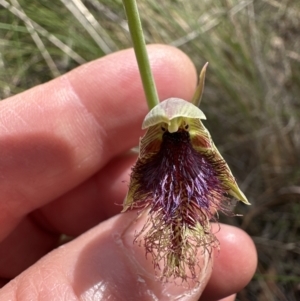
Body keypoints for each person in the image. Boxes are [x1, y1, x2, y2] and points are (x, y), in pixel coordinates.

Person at [0, 45, 257, 300]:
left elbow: (214, 159)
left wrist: (231, 187)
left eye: (182, 125)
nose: (175, 128)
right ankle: (175, 255)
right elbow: (145, 162)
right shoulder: (159, 139)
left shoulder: (194, 137)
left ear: (192, 126)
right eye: (167, 127)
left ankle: (177, 253)